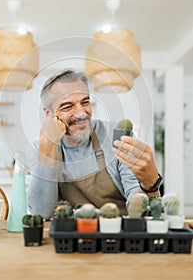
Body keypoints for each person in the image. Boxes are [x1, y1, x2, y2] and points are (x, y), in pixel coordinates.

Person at [27, 69, 162, 219]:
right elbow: (41, 213)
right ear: (48, 114)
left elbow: (137, 201)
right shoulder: (40, 149)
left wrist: (149, 185)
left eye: (85, 102)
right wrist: (48, 147)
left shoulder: (116, 136)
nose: (81, 113)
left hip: (116, 233)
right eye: (67, 106)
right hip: (71, 235)